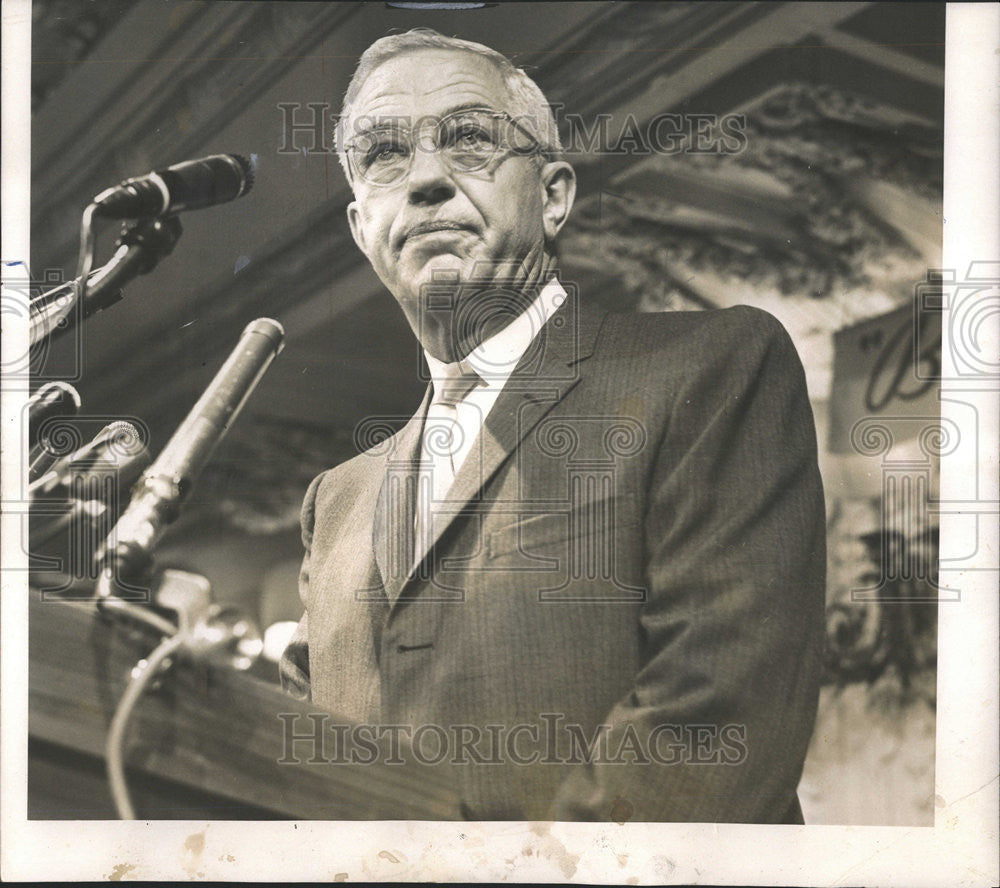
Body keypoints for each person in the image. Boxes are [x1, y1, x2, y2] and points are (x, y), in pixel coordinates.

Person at [280, 28, 826, 823]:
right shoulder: (335, 500)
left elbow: (715, 721)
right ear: (363, 229)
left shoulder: (712, 370)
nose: (426, 178)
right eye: (384, 155)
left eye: (468, 139)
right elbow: (296, 759)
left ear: (554, 195)